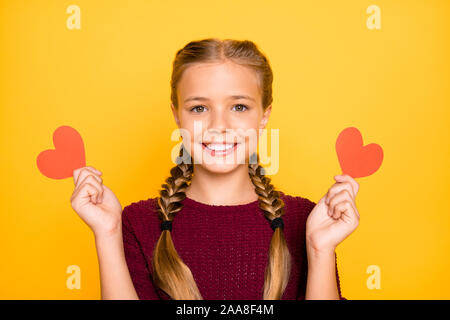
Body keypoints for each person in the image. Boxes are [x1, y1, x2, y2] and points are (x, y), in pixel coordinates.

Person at [70, 38, 360, 300]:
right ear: (176, 114)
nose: (219, 126)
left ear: (264, 116)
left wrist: (321, 250)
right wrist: (106, 233)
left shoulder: (305, 221)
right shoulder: (137, 223)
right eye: (199, 108)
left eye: (239, 107)